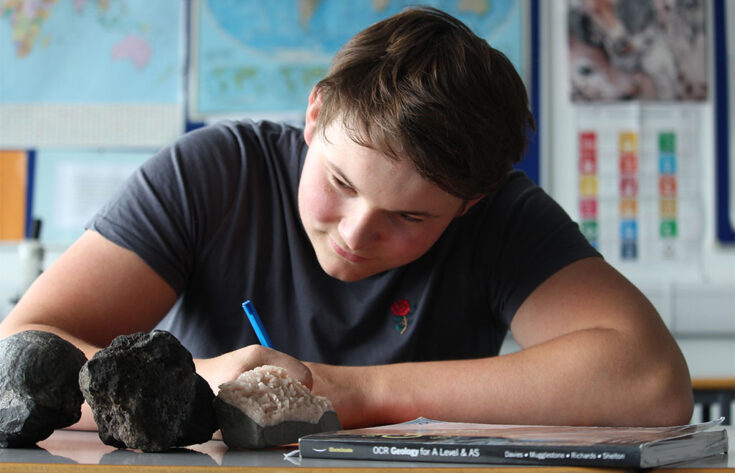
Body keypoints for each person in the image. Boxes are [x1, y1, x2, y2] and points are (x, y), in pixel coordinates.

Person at [0, 7, 693, 430]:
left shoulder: (502, 214)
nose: (358, 232)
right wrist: (200, 378)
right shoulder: (215, 172)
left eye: (410, 215)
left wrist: (353, 391)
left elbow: (650, 382)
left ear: (468, 205)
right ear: (314, 114)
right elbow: (21, 352)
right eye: (339, 181)